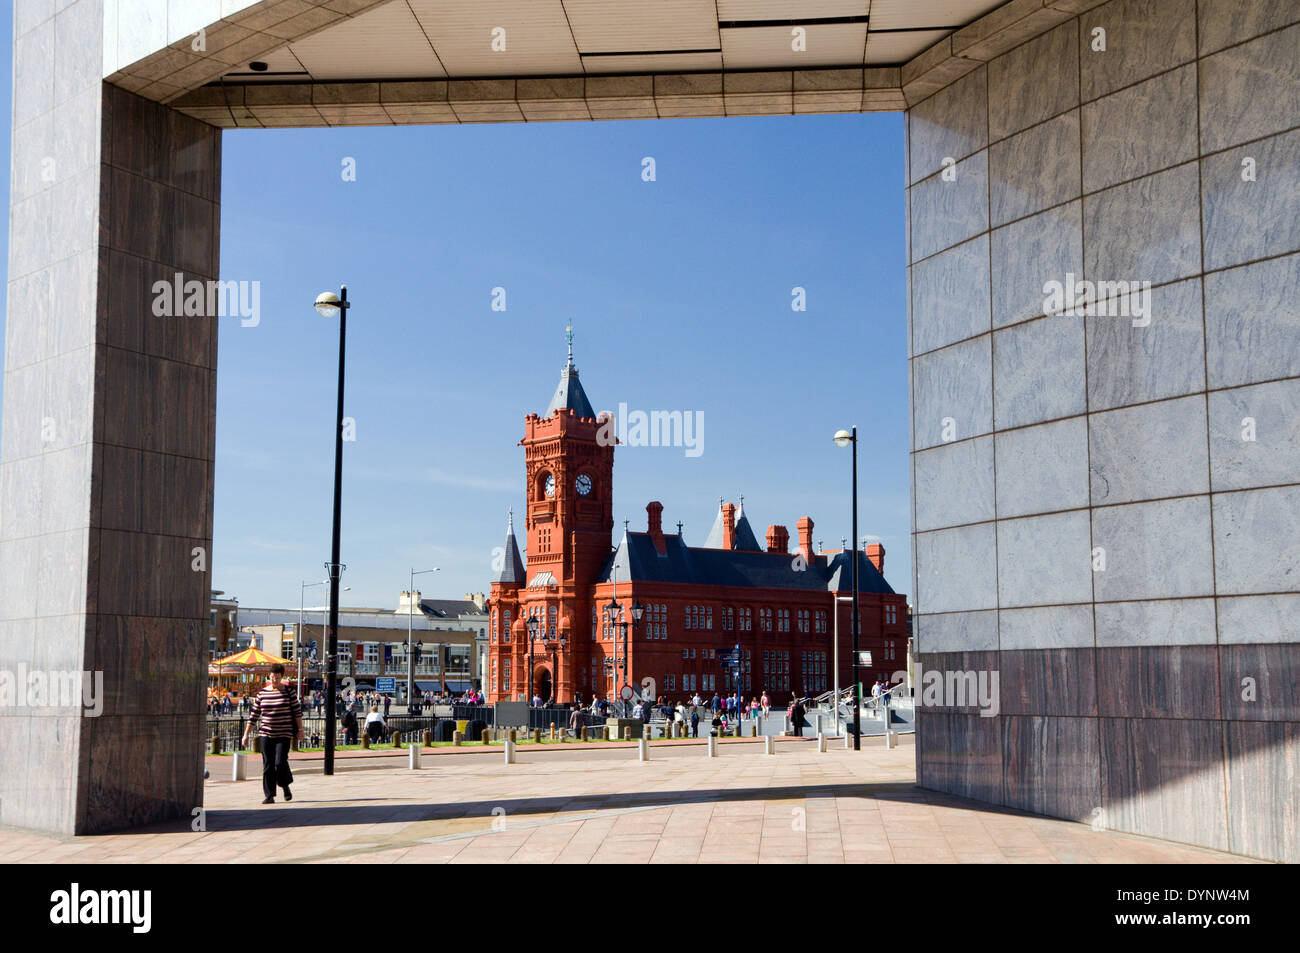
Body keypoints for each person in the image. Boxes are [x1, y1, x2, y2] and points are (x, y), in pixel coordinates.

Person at [240, 664, 302, 805]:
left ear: (281, 677)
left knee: (280, 762)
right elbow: (254, 715)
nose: (275, 680)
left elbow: (297, 713)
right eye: (273, 677)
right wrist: (246, 734)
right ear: (269, 676)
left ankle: (285, 785)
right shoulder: (262, 694)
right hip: (266, 733)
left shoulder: (288, 692)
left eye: (277, 677)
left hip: (284, 733)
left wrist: (300, 730)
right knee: (268, 764)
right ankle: (269, 795)